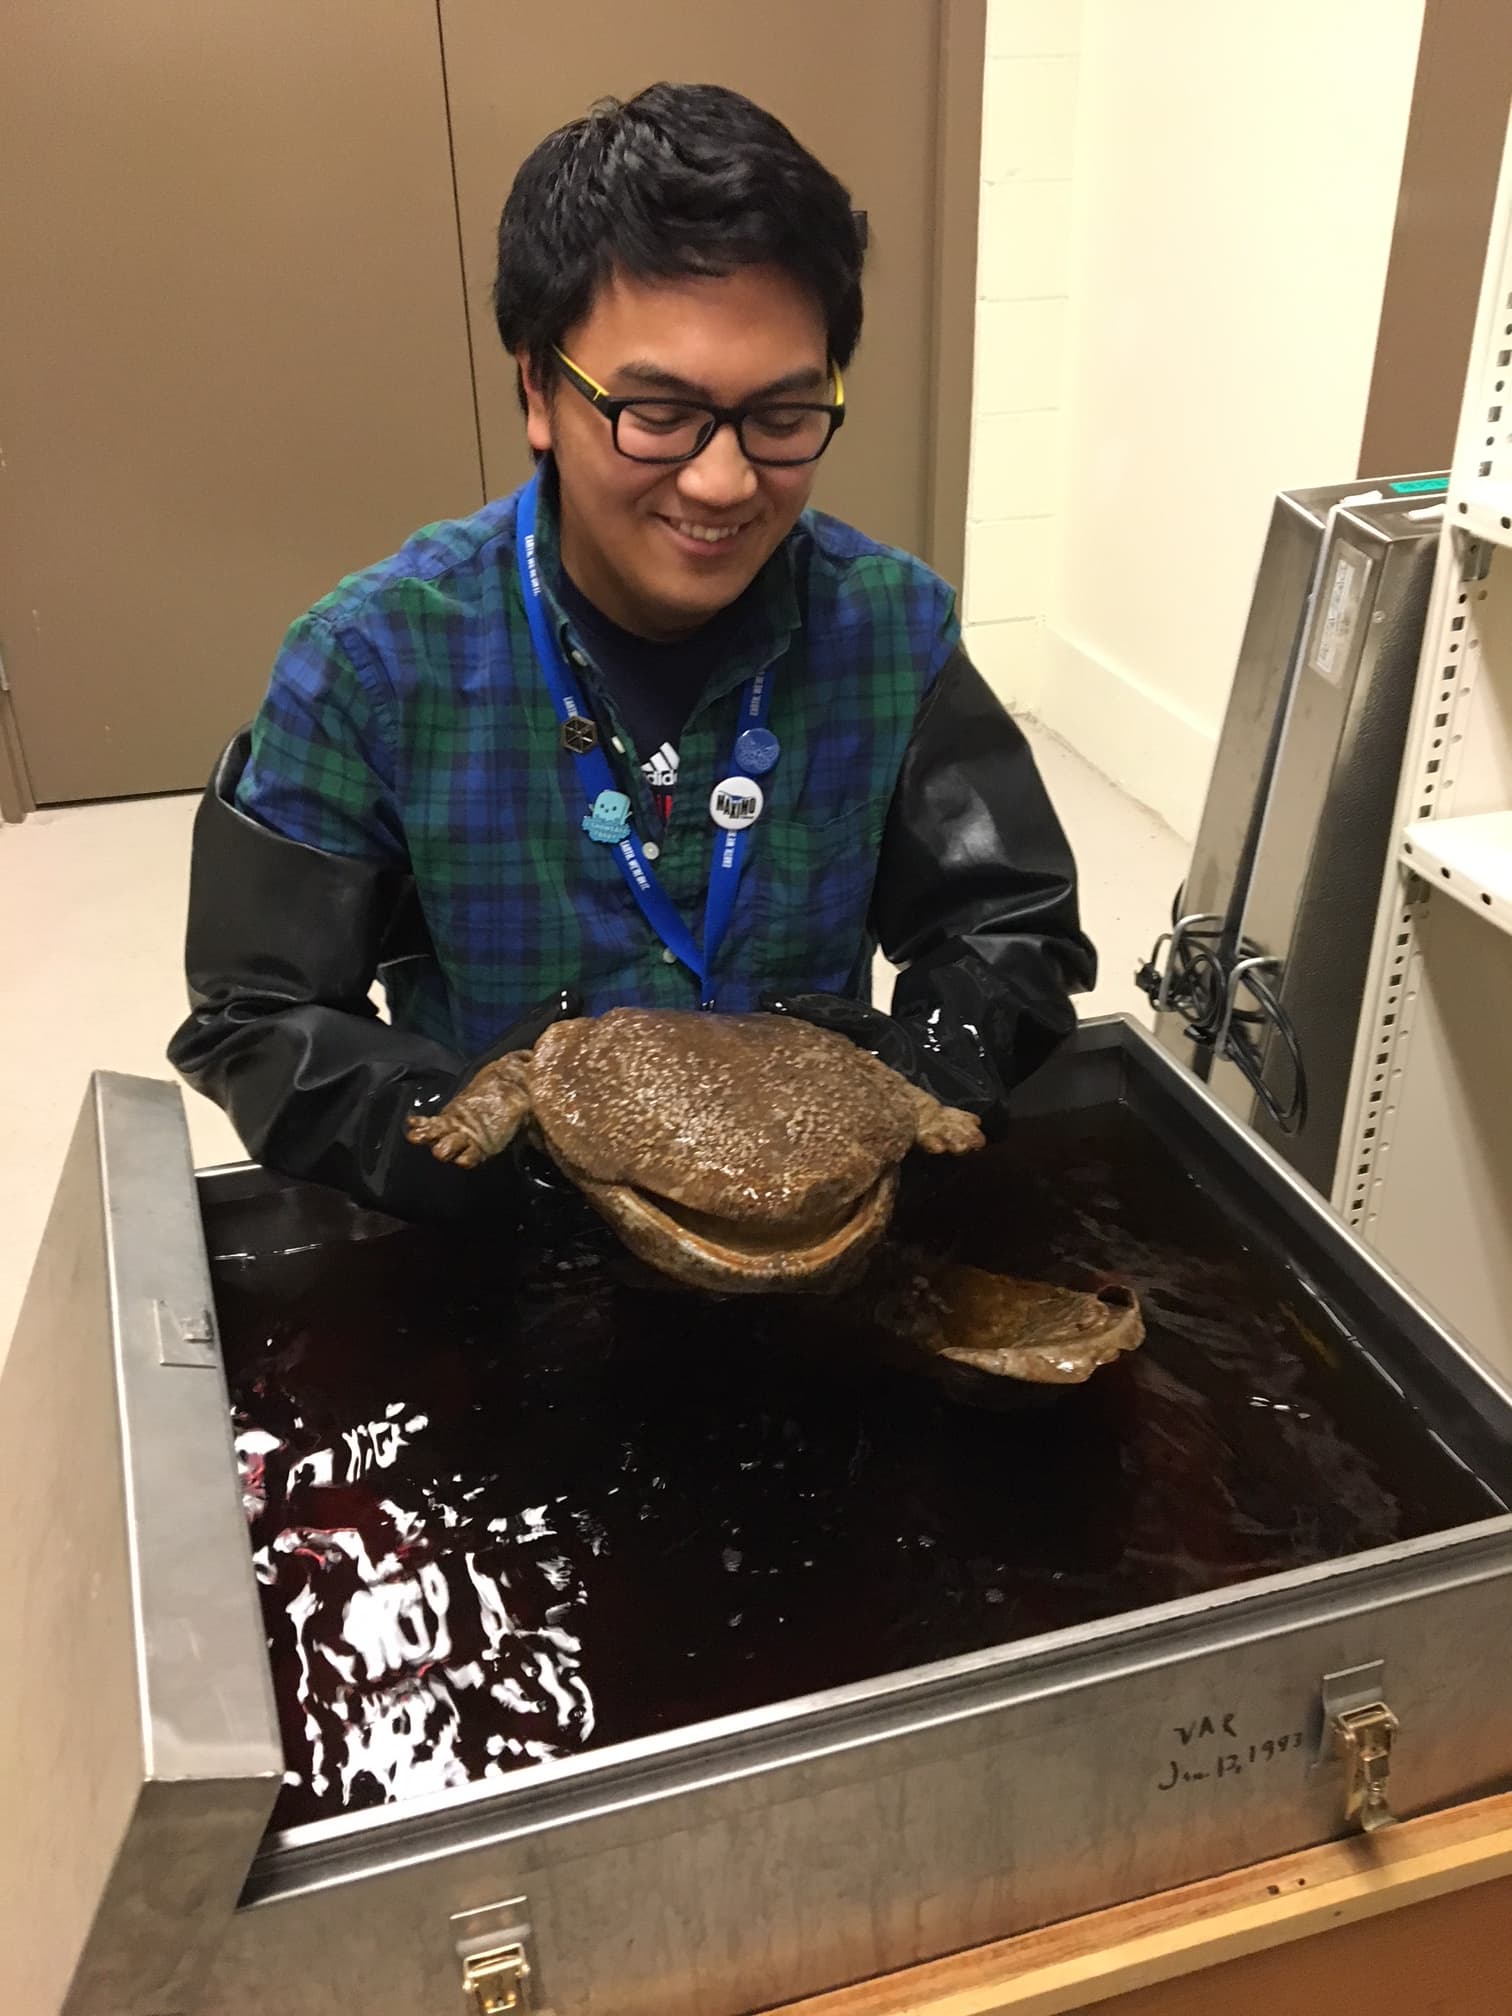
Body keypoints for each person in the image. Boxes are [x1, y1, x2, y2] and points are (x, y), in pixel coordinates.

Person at [169, 82, 1095, 1223]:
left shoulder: (891, 630)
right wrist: (514, 1140)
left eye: (783, 415)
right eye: (657, 413)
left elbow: (1006, 925)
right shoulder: (372, 662)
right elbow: (255, 1016)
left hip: (808, 1222)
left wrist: (921, 1070)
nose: (724, 481)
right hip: (517, 1237)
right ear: (538, 390)